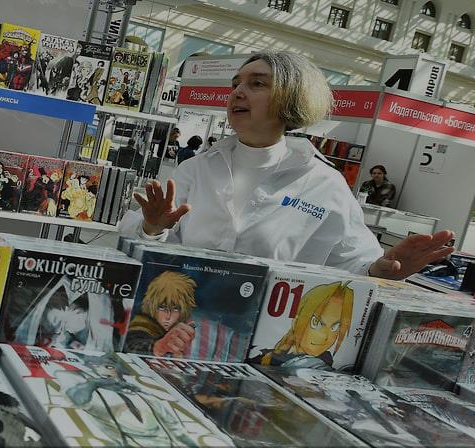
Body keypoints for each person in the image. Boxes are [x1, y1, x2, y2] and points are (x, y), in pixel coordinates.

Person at [120, 51, 453, 280]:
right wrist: (153, 227)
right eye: (236, 83)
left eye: (257, 83)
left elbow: (355, 261)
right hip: (178, 321)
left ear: (292, 98)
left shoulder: (324, 183)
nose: (237, 92)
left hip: (269, 341)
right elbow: (140, 242)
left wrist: (382, 269)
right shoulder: (196, 169)